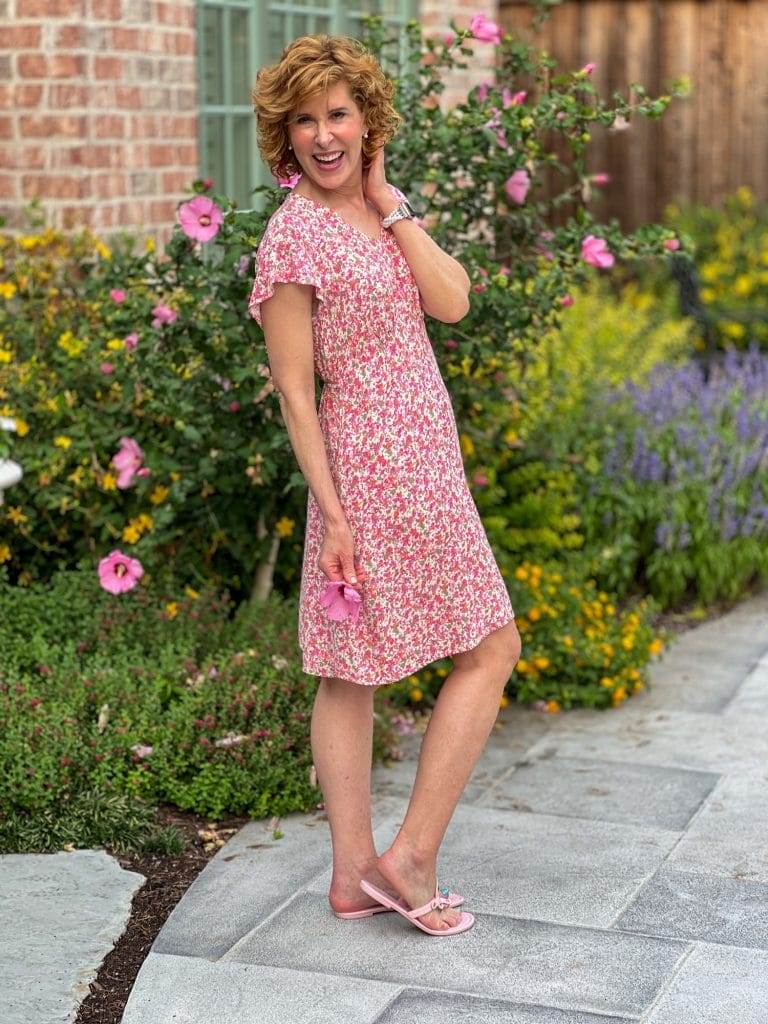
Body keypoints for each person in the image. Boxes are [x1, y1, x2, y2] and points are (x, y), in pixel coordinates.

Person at [249, 34, 521, 936]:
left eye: (338, 114)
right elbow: (295, 391)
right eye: (305, 119)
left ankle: (355, 875)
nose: (324, 134)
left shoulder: (376, 211)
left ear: (367, 122)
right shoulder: (293, 237)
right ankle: (403, 859)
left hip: (424, 459)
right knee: (482, 648)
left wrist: (390, 201)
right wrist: (332, 516)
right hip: (371, 472)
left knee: (363, 667)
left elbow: (453, 301)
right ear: (284, 137)